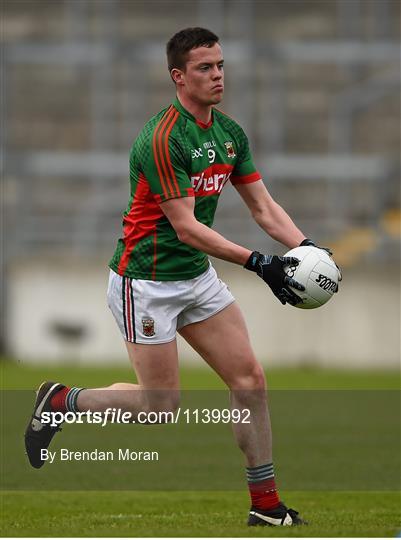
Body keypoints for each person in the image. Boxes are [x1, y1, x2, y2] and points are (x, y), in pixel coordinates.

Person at [25, 27, 337, 527]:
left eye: (220, 66)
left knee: (250, 381)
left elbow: (262, 205)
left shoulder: (229, 133)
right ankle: (63, 401)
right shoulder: (163, 138)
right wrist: (261, 264)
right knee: (159, 408)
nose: (217, 76)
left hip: (195, 277)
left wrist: (303, 247)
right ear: (178, 76)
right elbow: (187, 228)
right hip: (145, 282)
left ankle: (266, 506)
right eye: (204, 68)